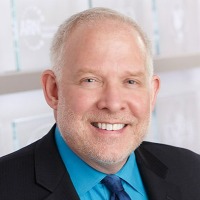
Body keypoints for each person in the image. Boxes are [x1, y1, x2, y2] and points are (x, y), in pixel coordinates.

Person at [0, 7, 200, 200]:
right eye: (90, 80)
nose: (113, 103)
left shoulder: (191, 171)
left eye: (131, 81)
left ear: (152, 93)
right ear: (53, 90)